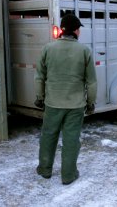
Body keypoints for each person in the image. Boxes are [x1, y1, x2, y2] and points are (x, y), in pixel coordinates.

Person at [34, 14, 97, 184]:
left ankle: (45, 170)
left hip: (52, 103)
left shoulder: (48, 48)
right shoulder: (84, 51)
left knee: (48, 136)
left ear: (62, 30)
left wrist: (40, 97)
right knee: (71, 139)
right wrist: (90, 103)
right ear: (76, 30)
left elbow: (40, 77)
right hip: (75, 105)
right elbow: (91, 82)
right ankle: (68, 175)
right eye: (79, 29)